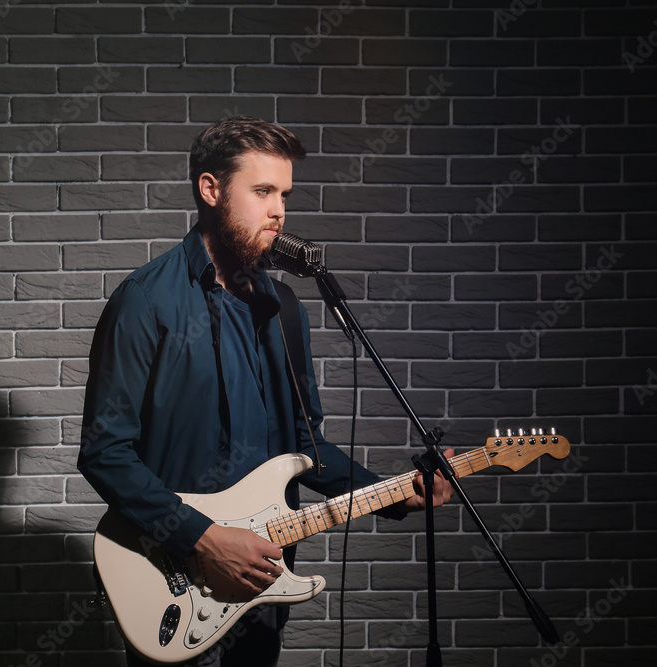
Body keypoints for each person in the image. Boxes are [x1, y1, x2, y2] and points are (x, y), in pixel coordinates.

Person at [78, 117, 454, 666]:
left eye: (283, 194)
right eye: (262, 191)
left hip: (264, 573)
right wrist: (203, 538)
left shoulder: (284, 310)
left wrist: (396, 493)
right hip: (174, 577)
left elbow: (305, 450)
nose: (279, 210)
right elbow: (104, 452)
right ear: (211, 190)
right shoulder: (145, 302)